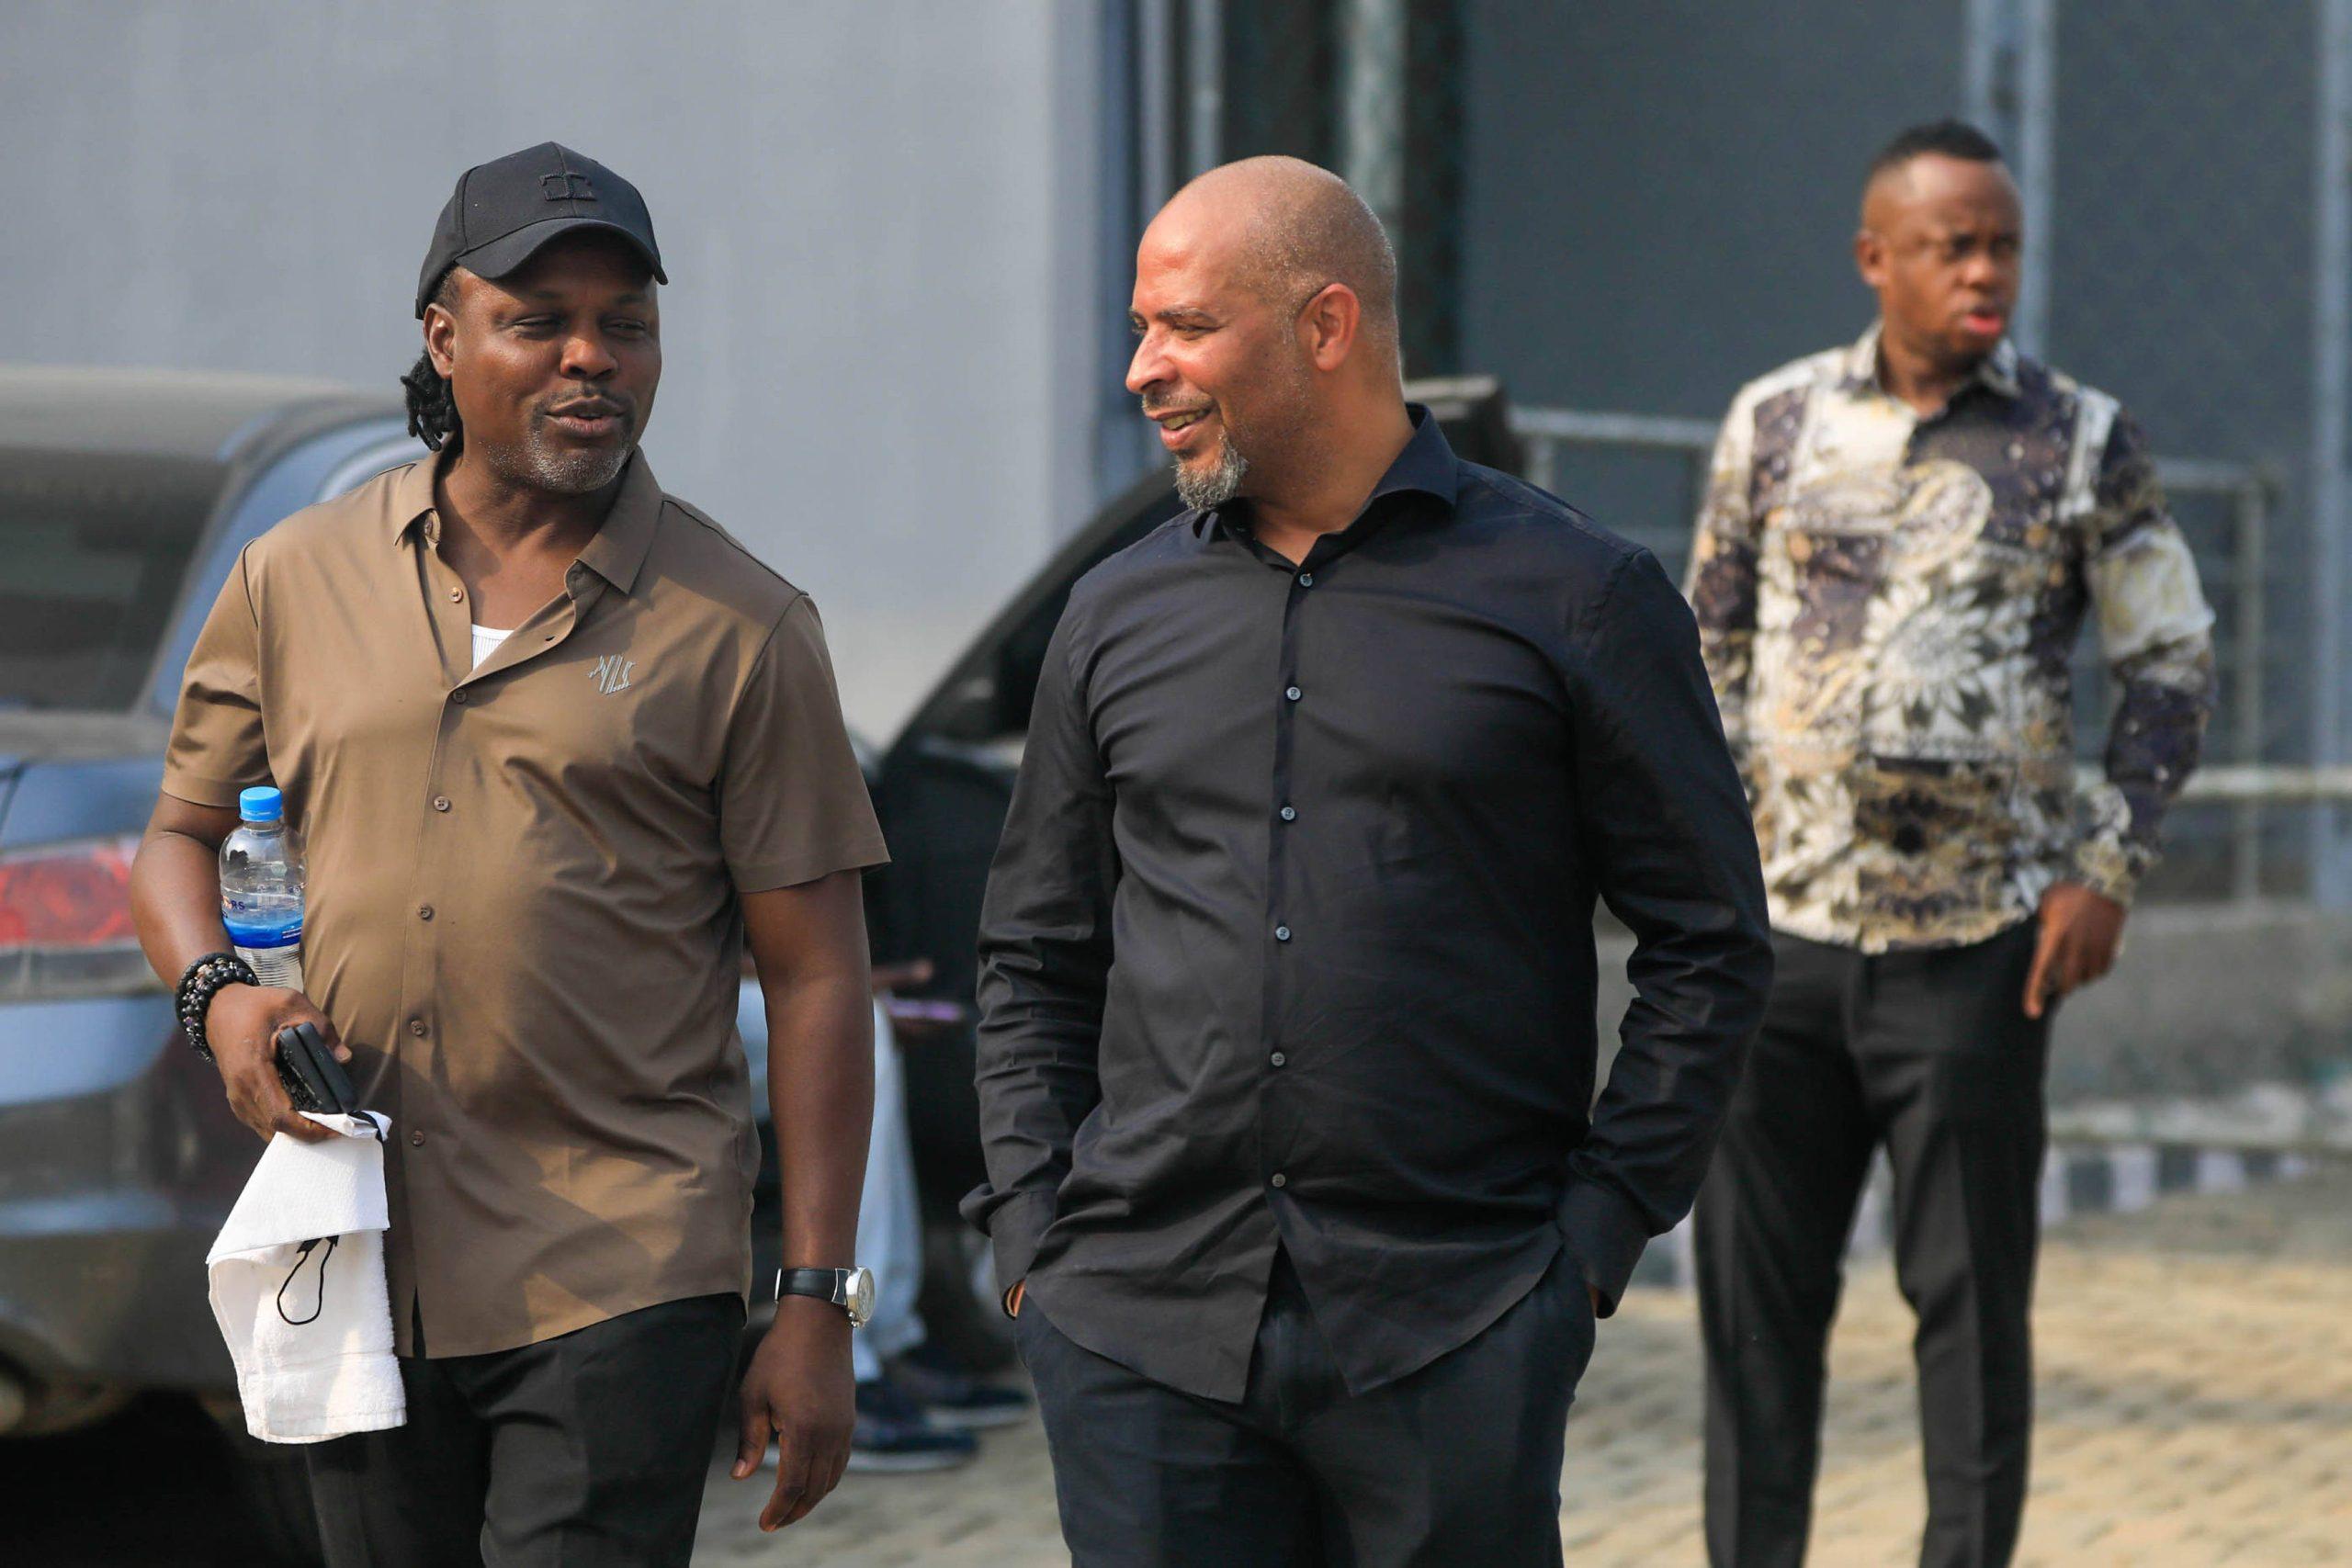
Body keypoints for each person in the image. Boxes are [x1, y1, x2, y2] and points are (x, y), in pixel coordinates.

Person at [965, 154, 1773, 1565]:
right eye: (1140, 328)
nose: (1146, 368)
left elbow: (1710, 940)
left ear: (1326, 326)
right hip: (1142, 1335)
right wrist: (1037, 1232)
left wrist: (1591, 1242)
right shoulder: (1111, 616)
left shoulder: (1577, 597)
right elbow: (1036, 952)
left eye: (1187, 326)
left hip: (1453, 1328)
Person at [130, 142, 889, 1564]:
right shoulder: (295, 576)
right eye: (540, 320)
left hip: (620, 1265)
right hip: (356, 1245)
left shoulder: (742, 625)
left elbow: (818, 980)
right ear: (444, 336)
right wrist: (219, 999)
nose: (590, 357)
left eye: (627, 323)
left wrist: (814, 1299)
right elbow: (175, 841)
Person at [1685, 120, 2217, 1568]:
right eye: (1951, 245)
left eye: (2003, 246)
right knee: (1752, 1320)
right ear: (1877, 259)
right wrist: (1705, 874)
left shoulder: (2080, 439)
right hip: (1780, 943)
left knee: (1972, 1318)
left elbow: (2169, 657)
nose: (1985, 271)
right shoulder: (1774, 424)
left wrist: (2106, 867)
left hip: (1975, 948)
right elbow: (1704, 652)